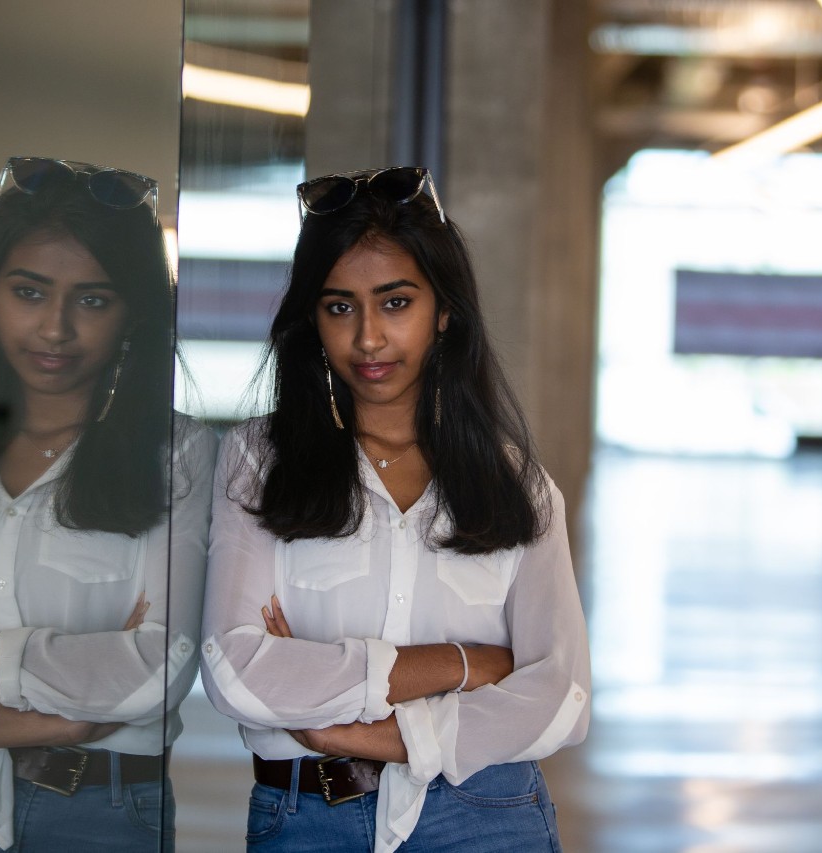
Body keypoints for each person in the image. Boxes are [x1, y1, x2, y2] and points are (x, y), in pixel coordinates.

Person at [200, 166, 590, 853]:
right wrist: (464, 662)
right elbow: (236, 667)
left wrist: (361, 732)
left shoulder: (518, 485)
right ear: (312, 320)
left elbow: (560, 693)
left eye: (396, 302)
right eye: (340, 306)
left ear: (443, 312)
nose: (370, 338)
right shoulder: (259, 462)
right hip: (308, 821)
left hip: (488, 816)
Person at [0, 157, 216, 851]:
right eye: (29, 291)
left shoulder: (177, 452)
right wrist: (49, 717)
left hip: (100, 812)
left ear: (132, 315)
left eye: (92, 299)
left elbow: (158, 670)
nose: (56, 328)